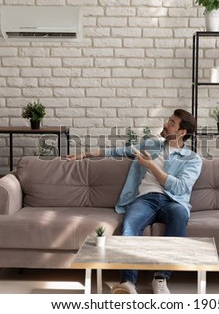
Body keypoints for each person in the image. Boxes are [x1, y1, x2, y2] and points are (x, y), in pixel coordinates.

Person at [66, 109, 202, 294]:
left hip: (173, 201)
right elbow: (118, 150)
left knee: (180, 216)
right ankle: (128, 282)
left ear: (181, 132)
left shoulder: (193, 159)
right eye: (168, 120)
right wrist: (85, 154)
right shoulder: (151, 144)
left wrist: (151, 166)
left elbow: (179, 187)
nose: (165, 124)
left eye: (171, 123)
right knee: (129, 225)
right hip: (145, 198)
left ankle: (161, 278)